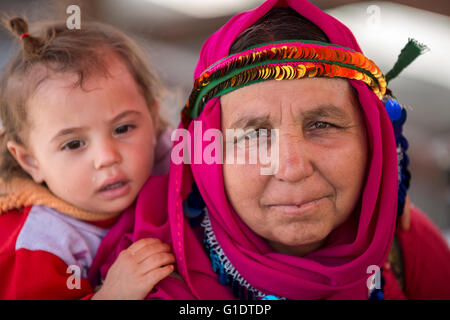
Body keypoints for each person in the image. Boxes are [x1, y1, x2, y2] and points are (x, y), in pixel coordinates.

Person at [93, 0, 450, 299]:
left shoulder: (403, 243)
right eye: (253, 135)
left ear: (372, 139)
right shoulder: (140, 280)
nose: (292, 168)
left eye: (322, 125)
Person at [0, 17, 175, 299]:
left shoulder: (170, 158)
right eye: (73, 144)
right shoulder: (37, 243)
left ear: (153, 121)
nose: (106, 158)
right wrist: (113, 294)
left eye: (123, 128)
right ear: (31, 161)